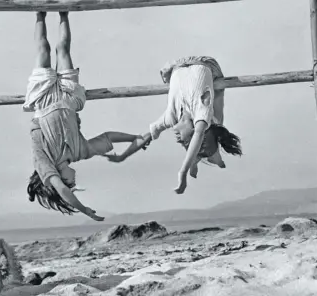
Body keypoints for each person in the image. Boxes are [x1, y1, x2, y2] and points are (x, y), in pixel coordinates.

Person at [24, 0, 150, 222]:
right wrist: (135, 137)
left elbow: (61, 191)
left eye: (70, 183)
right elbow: (108, 136)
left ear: (58, 179)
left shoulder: (45, 165)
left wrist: (84, 210)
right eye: (73, 184)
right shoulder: (80, 152)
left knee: (43, 51)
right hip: (69, 97)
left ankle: (39, 13)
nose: (74, 180)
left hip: (43, 100)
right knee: (63, 50)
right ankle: (64, 13)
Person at [104, 56, 242, 194]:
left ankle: (198, 159)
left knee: (211, 128)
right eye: (184, 141)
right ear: (193, 130)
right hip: (205, 63)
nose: (178, 139)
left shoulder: (170, 117)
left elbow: (145, 136)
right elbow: (199, 134)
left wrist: (123, 156)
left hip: (177, 67)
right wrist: (183, 172)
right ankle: (199, 159)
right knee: (216, 117)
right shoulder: (201, 114)